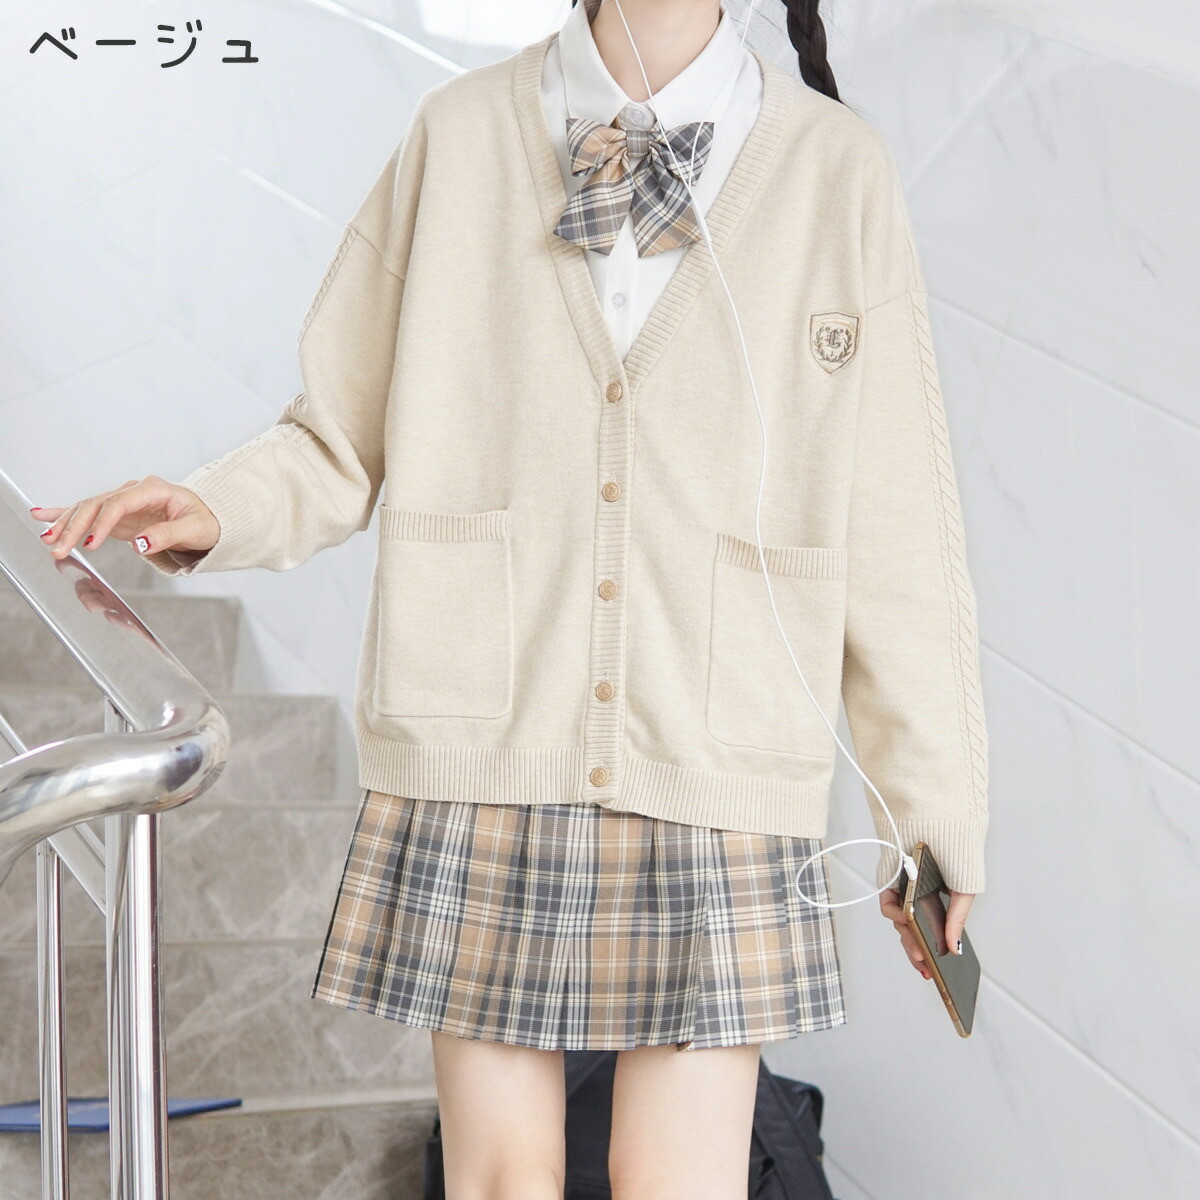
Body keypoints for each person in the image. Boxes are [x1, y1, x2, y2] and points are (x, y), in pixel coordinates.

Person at [31, 1, 988, 1195]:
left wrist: (934, 818)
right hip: (481, 741)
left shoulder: (837, 171)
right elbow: (336, 438)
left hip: (724, 757)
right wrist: (214, 505)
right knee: (497, 1183)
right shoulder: (463, 134)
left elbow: (897, 527)